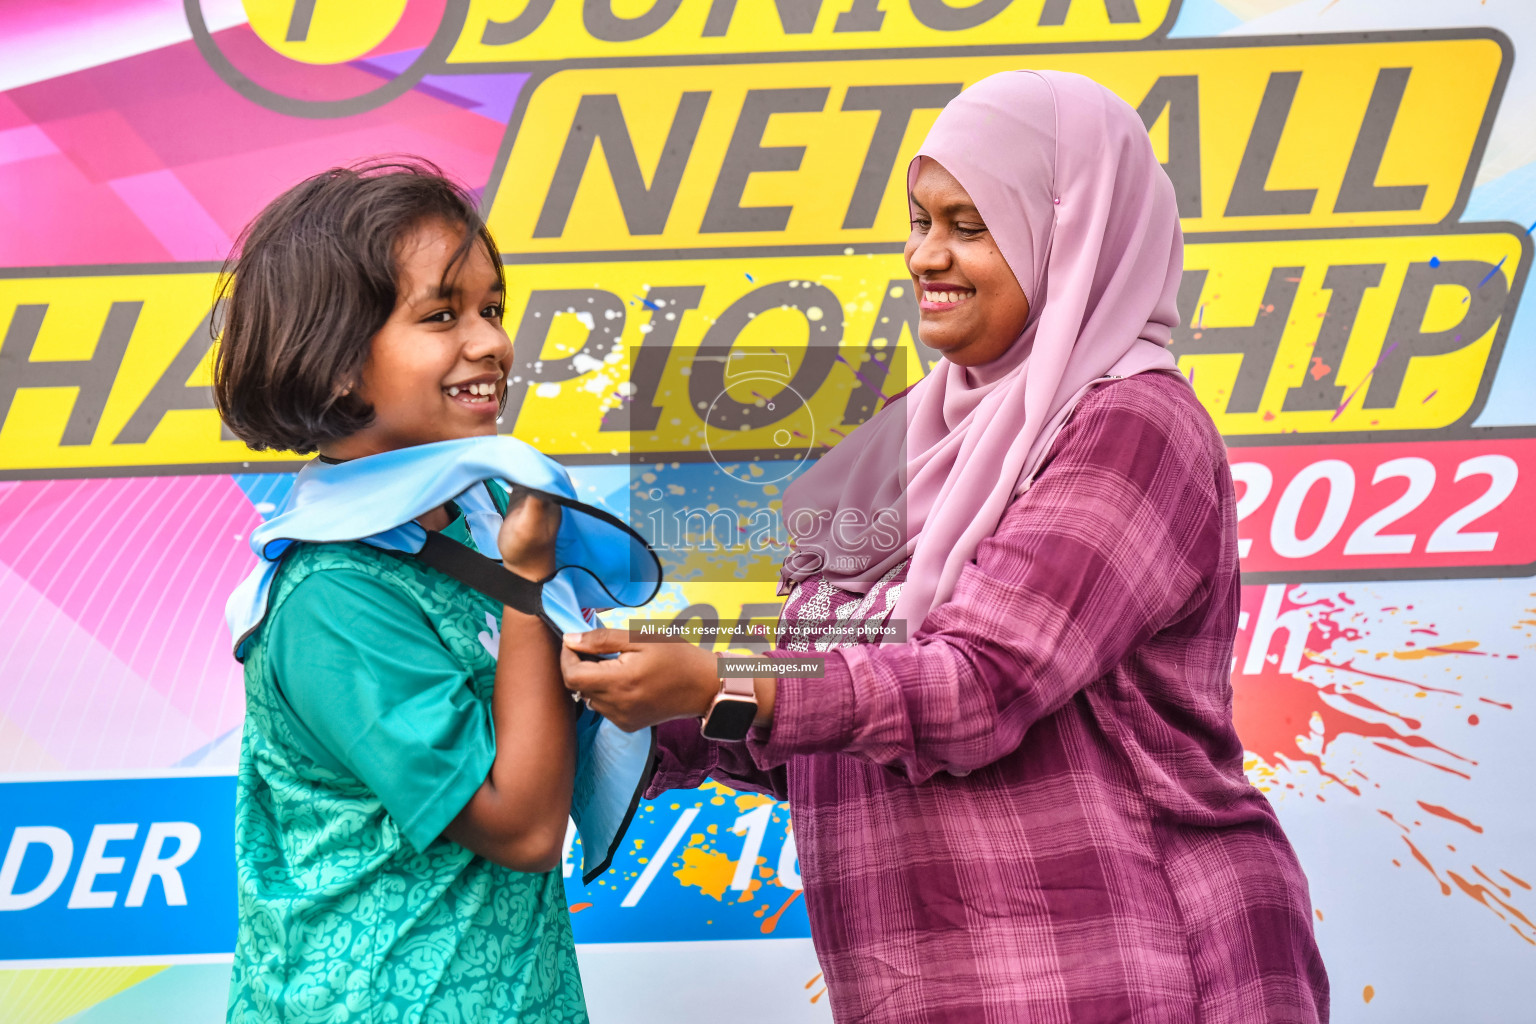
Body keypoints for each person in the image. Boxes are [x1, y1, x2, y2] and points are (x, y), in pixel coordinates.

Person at [562, 71, 1330, 1023]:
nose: (927, 256)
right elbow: (802, 699)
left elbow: (976, 685)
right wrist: (623, 693)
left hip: (1139, 973)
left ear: (1072, 235)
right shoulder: (896, 444)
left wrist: (720, 679)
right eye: (920, 220)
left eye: (969, 226)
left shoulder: (1132, 424)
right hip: (924, 983)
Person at [215, 161, 589, 1023]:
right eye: (441, 315)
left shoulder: (474, 521)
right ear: (339, 364)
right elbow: (524, 828)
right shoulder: (333, 593)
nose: (491, 342)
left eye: (492, 309)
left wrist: (761, 687)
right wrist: (528, 586)